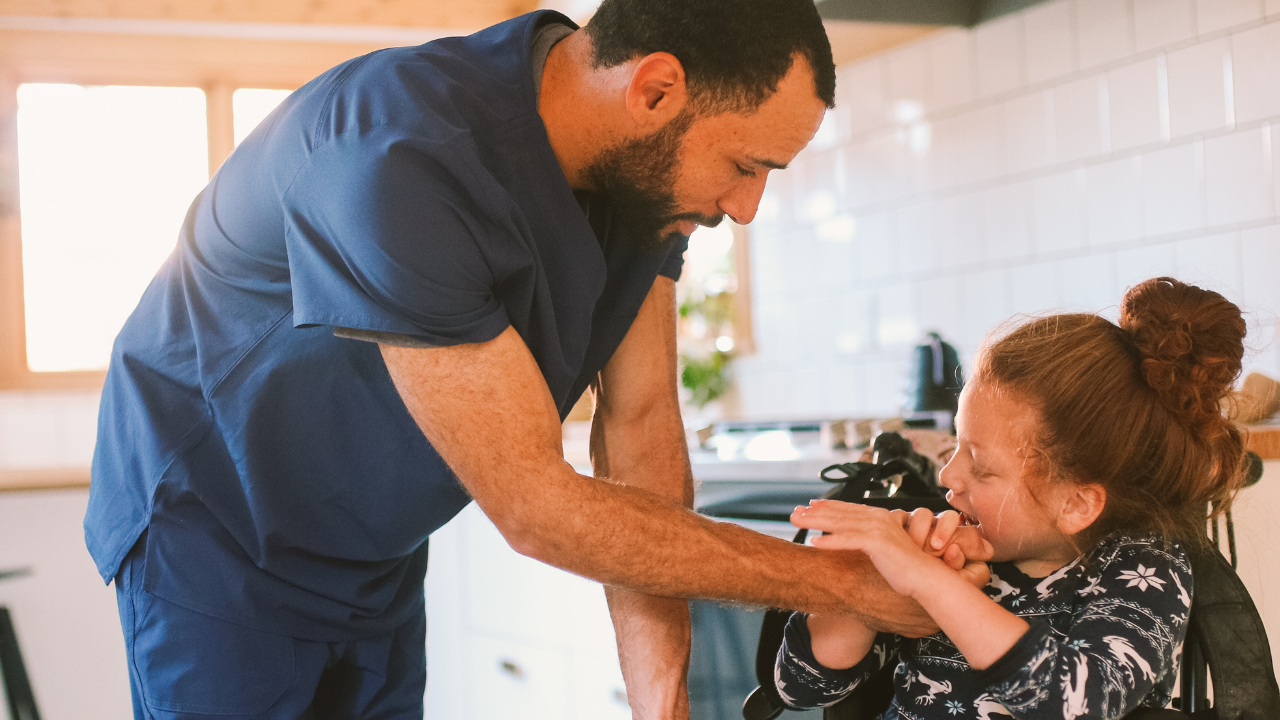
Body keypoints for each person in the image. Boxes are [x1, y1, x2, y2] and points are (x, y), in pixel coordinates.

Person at [85, 1, 992, 718]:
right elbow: (537, 507)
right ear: (655, 90)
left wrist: (661, 706)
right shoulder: (397, 154)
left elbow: (638, 437)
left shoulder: (640, 190)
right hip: (212, 530)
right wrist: (850, 586)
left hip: (371, 546)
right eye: (746, 165)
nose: (746, 208)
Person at [776, 277, 1247, 718]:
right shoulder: (947, 547)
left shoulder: (1142, 572)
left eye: (981, 466)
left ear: (1076, 504)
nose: (947, 475)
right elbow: (800, 687)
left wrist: (929, 584)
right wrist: (869, 587)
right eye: (953, 446)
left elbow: (1076, 701)